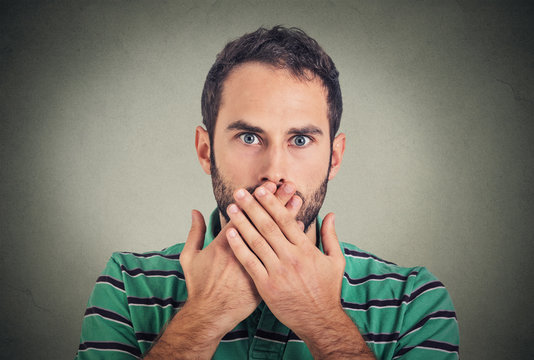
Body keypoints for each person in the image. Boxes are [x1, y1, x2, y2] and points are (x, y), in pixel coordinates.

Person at [75, 26, 459, 359]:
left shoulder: (415, 301)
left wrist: (320, 319)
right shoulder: (126, 285)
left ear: (335, 158)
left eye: (301, 139)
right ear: (206, 151)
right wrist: (203, 317)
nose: (274, 170)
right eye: (249, 137)